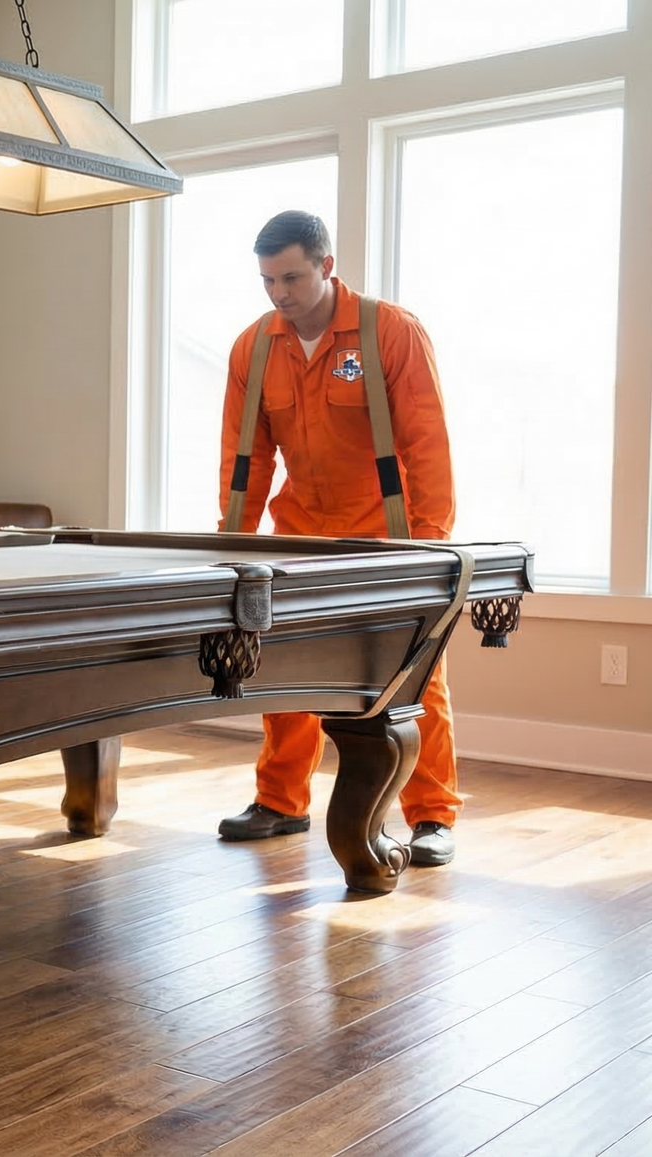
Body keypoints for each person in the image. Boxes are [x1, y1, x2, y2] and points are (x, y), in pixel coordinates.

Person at [213, 209, 461, 868]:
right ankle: (281, 801)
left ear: (326, 265)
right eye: (268, 280)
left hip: (387, 535)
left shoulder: (391, 331)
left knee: (412, 675)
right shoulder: (254, 346)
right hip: (299, 531)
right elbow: (245, 460)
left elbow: (427, 444)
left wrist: (431, 548)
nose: (280, 293)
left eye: (291, 276)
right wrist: (234, 545)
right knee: (281, 667)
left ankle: (432, 814)